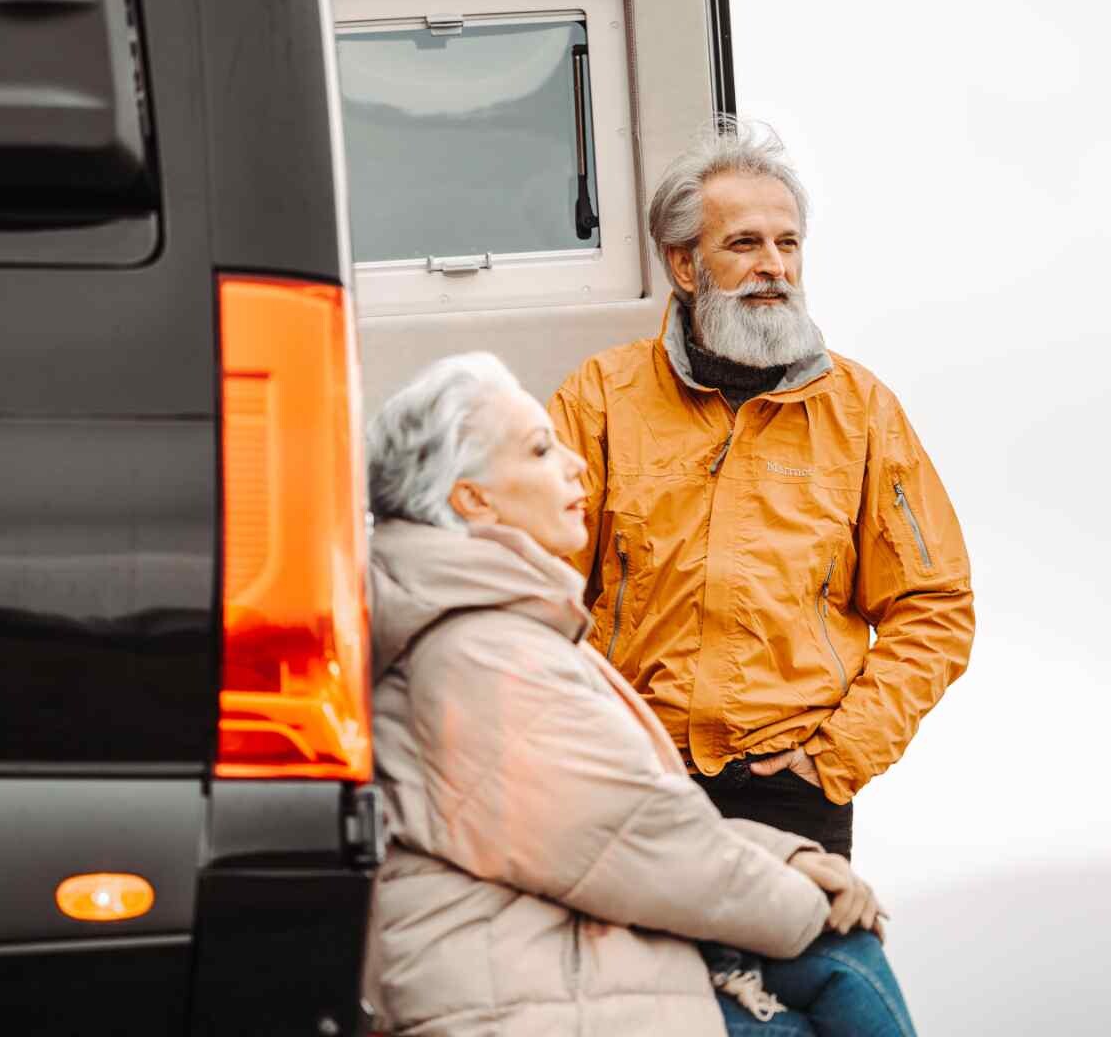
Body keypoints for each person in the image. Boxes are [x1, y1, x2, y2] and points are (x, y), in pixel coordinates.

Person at [361, 352, 915, 1036]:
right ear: (472, 499)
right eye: (539, 450)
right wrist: (810, 900)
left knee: (841, 957)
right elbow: (631, 839)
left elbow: (621, 823)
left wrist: (793, 858)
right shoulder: (477, 650)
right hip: (523, 996)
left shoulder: (486, 627)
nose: (576, 467)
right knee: (838, 951)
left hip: (557, 955)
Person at [548, 117, 974, 858]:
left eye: (788, 243)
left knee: (817, 944)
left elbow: (934, 604)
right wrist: (573, 743)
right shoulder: (601, 398)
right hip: (628, 783)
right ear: (685, 265)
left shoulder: (861, 411)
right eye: (744, 244)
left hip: (793, 792)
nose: (773, 266)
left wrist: (838, 757)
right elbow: (528, 586)